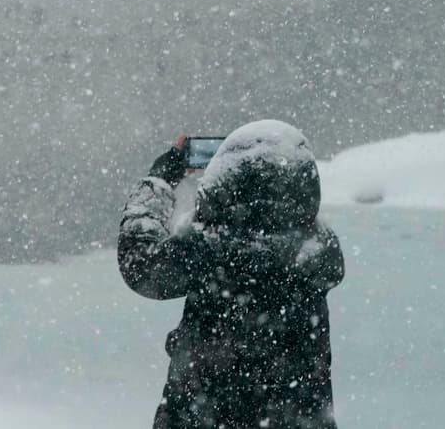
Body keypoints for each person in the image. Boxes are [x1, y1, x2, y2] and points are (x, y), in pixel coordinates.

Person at [118, 120, 344, 429]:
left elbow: (138, 261)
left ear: (224, 183)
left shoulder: (210, 248)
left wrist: (160, 179)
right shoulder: (317, 252)